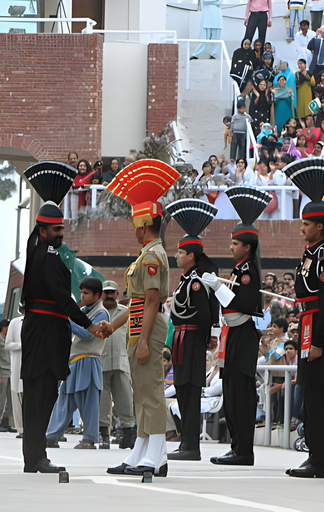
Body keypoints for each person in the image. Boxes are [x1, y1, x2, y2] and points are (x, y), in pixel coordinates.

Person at [21, 161, 109, 473]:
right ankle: (37, 457)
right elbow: (63, 300)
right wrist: (90, 324)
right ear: (43, 230)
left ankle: (33, 458)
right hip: (45, 333)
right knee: (42, 397)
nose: (61, 233)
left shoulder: (37, 250)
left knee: (38, 397)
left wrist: (49, 204)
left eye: (61, 228)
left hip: (40, 331)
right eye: (56, 229)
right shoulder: (48, 258)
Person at [106, 160, 178, 478]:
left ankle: (157, 454)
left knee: (150, 390)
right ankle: (142, 449)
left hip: (147, 328)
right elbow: (135, 304)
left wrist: (146, 341)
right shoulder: (146, 254)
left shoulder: (152, 256)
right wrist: (113, 325)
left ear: (143, 223)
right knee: (141, 390)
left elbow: (151, 300)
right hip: (137, 324)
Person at [202, 186, 268, 466]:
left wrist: (218, 287)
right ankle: (237, 445)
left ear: (247, 246)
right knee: (230, 391)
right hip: (233, 332)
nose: (231, 247)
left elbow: (243, 303)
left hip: (242, 333)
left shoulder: (247, 272)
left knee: (240, 393)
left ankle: (243, 450)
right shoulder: (240, 270)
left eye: (235, 243)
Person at [284, 161, 324, 478]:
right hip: (307, 330)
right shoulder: (310, 255)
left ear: (320, 227)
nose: (302, 228)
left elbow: (323, 301)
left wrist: (318, 342)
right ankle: (314, 456)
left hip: (317, 333)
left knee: (318, 401)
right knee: (309, 398)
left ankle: (320, 461)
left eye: (307, 224)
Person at [165, 199, 220, 461]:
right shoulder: (187, 280)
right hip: (181, 338)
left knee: (189, 390)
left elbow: (204, 314)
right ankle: (186, 442)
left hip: (190, 339)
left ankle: (190, 446)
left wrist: (202, 338)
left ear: (190, 255)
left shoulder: (196, 282)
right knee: (182, 389)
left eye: (179, 252)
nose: (176, 256)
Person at [45, 276, 110, 450]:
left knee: (88, 401)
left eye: (86, 293)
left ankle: (89, 439)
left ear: (97, 295)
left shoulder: (101, 313)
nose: (82, 296)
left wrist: (67, 319)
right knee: (64, 399)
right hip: (76, 360)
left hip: (89, 359)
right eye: (81, 292)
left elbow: (90, 334)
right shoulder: (85, 310)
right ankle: (51, 435)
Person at [99, 280, 136, 450]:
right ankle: (103, 434)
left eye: (111, 292)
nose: (108, 295)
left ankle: (128, 434)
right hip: (101, 362)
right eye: (105, 292)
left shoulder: (125, 313)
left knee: (125, 400)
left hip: (121, 362)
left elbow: (133, 337)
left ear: (117, 294)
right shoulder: (97, 313)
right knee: (102, 401)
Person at [4, 316, 24, 437]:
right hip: (17, 365)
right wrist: (22, 345)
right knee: (17, 396)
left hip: (35, 365)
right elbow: (8, 344)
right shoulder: (16, 322)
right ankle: (21, 429)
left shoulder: (42, 320)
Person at [273, 63, 297, 134]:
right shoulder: (275, 91)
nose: (282, 81)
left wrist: (288, 94)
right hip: (278, 110)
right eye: (280, 80)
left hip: (287, 110)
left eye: (283, 80)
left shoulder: (289, 90)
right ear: (278, 81)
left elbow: (290, 102)